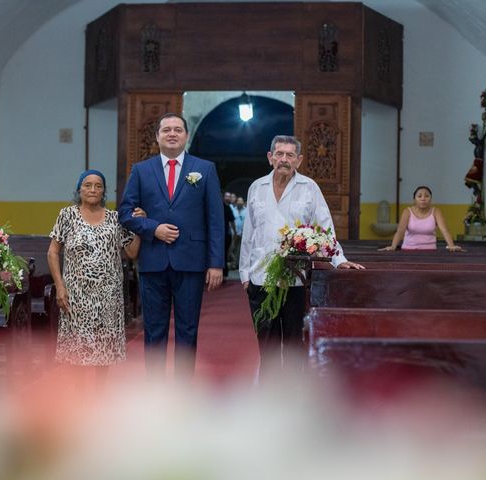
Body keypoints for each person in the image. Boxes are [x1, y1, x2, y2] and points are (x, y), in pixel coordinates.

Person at [239, 135, 364, 382]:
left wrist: (340, 260)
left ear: (299, 160)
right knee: (266, 342)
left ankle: (294, 395)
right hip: (260, 277)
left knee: (295, 342)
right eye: (279, 154)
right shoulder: (257, 187)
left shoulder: (309, 188)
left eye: (289, 155)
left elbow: (325, 229)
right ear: (270, 157)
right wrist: (244, 275)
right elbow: (249, 234)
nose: (284, 159)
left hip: (295, 280)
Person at [118, 112, 225, 380]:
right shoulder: (141, 170)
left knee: (188, 329)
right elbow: (126, 213)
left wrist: (216, 263)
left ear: (186, 136)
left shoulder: (205, 169)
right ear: (157, 137)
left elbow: (215, 220)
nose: (172, 133)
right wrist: (153, 228)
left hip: (191, 261)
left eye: (178, 129)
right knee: (154, 329)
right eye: (166, 130)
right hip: (153, 260)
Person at [47, 169, 144, 388]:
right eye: (88, 185)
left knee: (104, 348)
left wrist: (140, 227)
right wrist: (59, 286)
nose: (93, 189)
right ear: (79, 189)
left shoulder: (115, 218)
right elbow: (53, 252)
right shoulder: (67, 215)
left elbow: (132, 253)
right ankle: (79, 397)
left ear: (104, 191)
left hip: (108, 295)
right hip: (76, 294)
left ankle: (99, 394)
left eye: (98, 186)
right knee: (77, 348)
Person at [379, 185, 463, 251]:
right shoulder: (407, 211)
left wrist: (451, 246)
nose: (423, 198)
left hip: (430, 251)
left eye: (427, 196)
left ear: (431, 199)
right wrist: (393, 246)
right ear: (414, 200)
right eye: (419, 196)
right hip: (408, 250)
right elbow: (400, 231)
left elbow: (445, 230)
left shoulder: (436, 211)